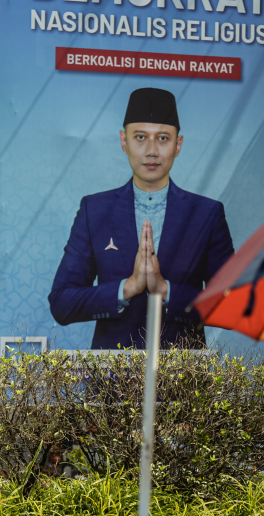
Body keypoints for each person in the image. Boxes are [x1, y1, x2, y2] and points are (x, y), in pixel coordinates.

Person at [49, 88, 234, 349]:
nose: (151, 151)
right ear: (124, 142)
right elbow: (62, 302)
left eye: (162, 138)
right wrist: (126, 288)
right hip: (111, 380)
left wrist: (166, 290)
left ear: (178, 145)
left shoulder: (206, 214)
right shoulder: (95, 210)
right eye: (140, 137)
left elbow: (232, 306)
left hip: (184, 380)